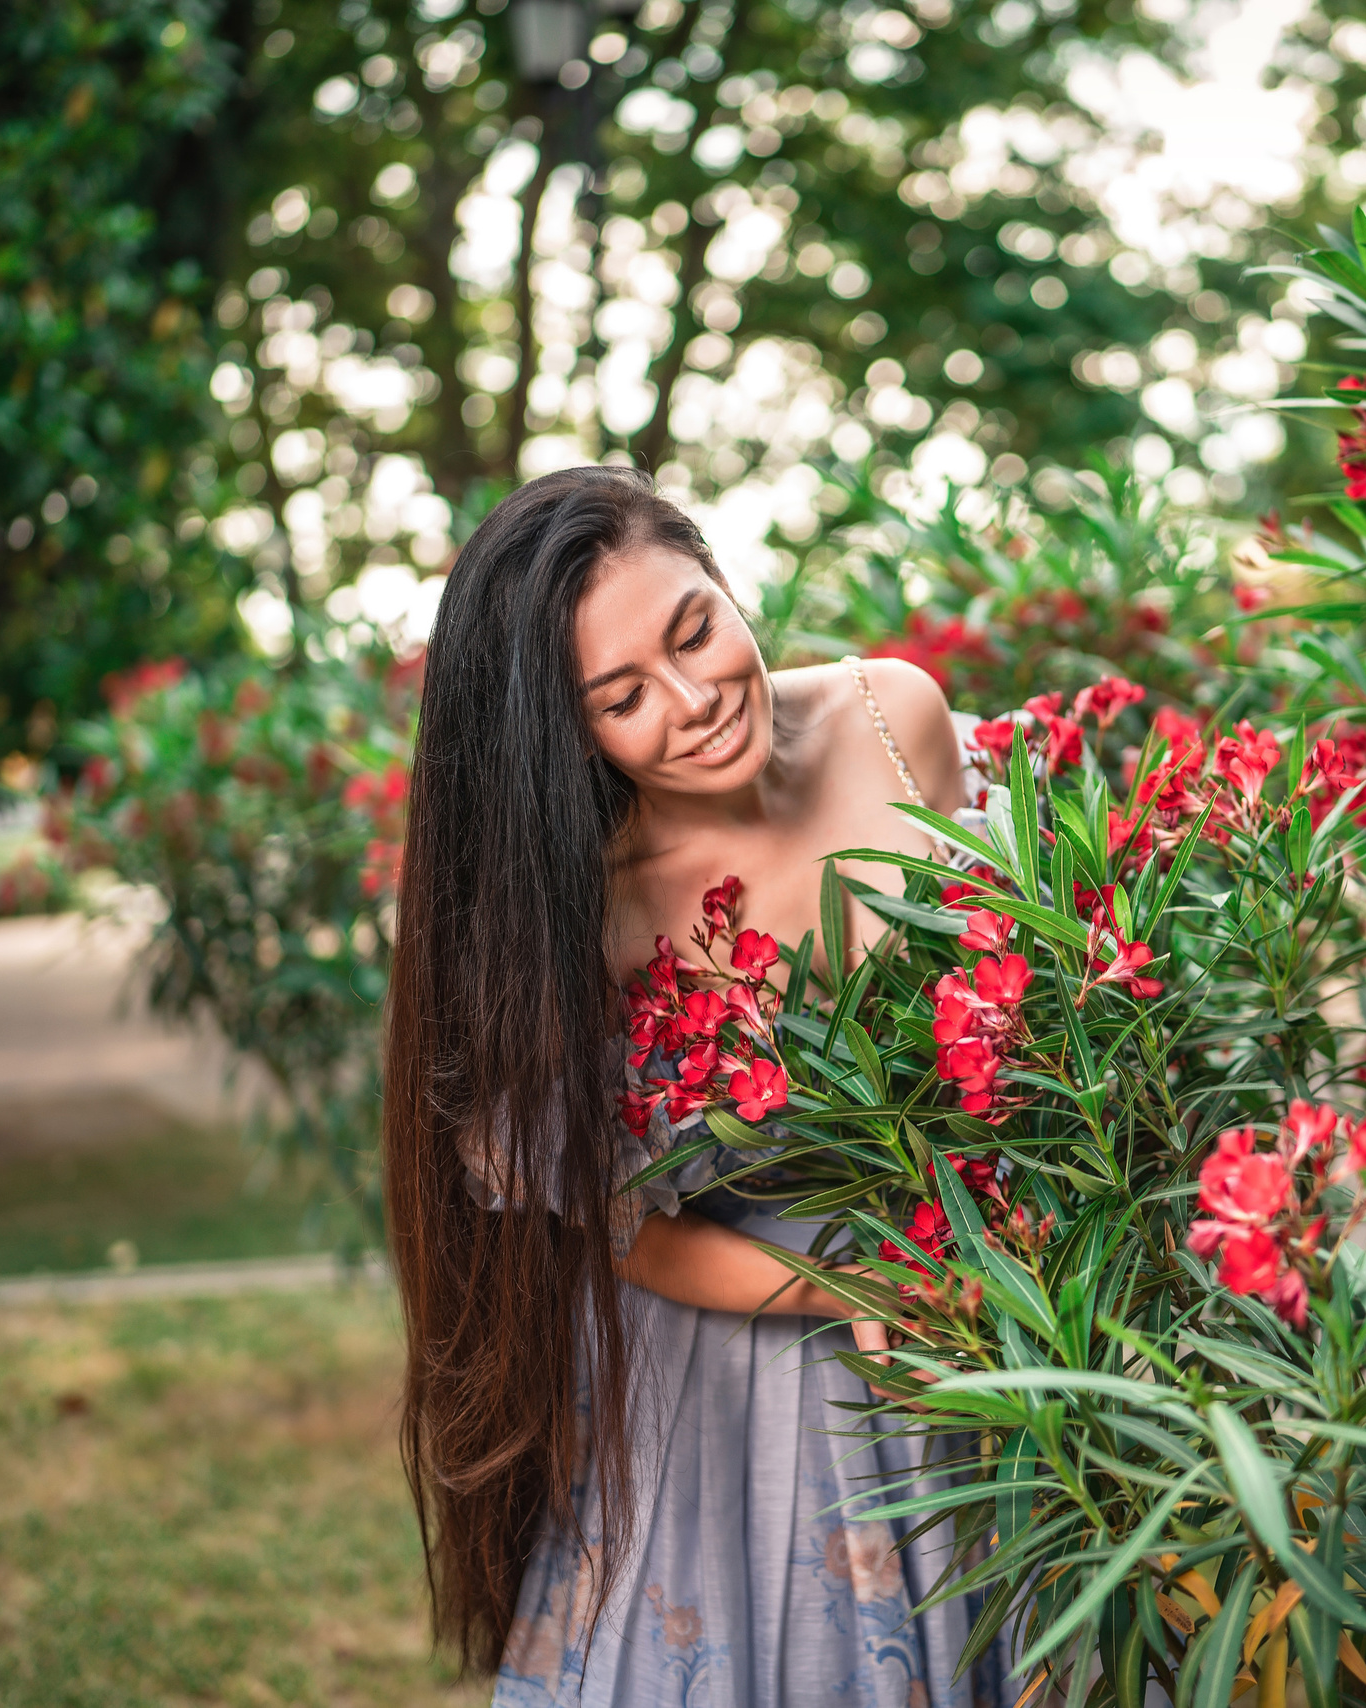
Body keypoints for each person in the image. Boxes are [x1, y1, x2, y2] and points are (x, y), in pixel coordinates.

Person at [383, 466, 1003, 1707]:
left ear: (721, 581)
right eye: (622, 697)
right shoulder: (587, 913)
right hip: (747, 1381)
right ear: (571, 732)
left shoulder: (893, 716)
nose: (694, 699)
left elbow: (1018, 993)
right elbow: (624, 1230)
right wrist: (853, 1288)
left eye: (695, 629)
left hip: (997, 1309)